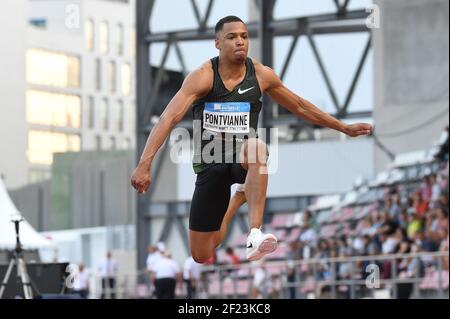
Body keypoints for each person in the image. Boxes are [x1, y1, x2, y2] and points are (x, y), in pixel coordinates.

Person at [131, 16, 372, 264]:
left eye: (244, 37)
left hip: (242, 157)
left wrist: (343, 127)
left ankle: (254, 233)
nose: (240, 42)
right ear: (217, 43)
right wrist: (144, 164)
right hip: (210, 162)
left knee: (258, 147)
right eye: (232, 37)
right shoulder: (202, 77)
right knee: (202, 253)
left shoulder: (261, 75)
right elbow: (168, 118)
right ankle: (238, 198)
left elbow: (300, 106)